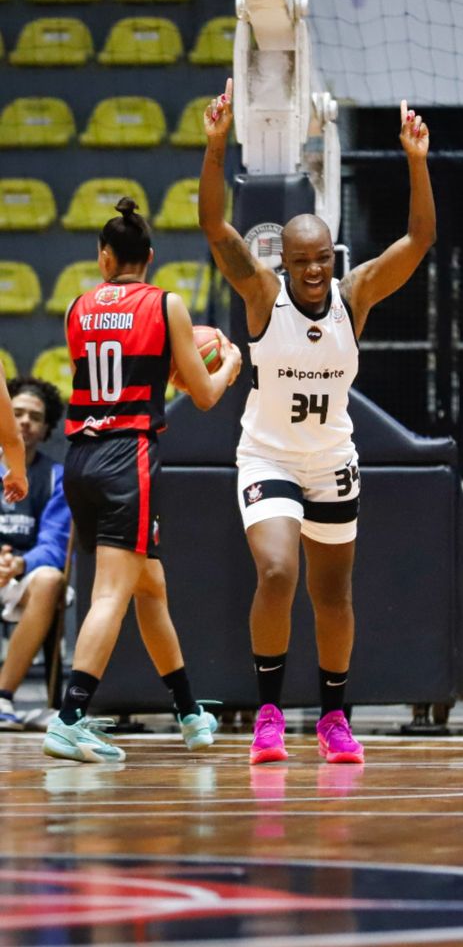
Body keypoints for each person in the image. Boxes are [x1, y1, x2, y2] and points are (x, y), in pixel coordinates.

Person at [199, 79, 435, 765]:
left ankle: (334, 716)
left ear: (330, 258)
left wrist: (416, 160)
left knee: (333, 596)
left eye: (317, 260)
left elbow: (420, 238)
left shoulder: (352, 296)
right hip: (267, 455)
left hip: (332, 459)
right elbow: (216, 227)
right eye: (297, 260)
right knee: (277, 574)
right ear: (285, 260)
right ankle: (269, 710)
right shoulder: (260, 293)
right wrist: (217, 147)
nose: (308, 270)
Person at [42, 197, 243, 764]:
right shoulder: (165, 303)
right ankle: (70, 718)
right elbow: (202, 395)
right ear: (148, 258)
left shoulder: (77, 308)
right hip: (128, 457)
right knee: (112, 592)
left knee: (149, 587)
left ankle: (188, 714)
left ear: (104, 258)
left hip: (79, 456)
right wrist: (226, 361)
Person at [0, 378, 71, 730]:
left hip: (24, 576)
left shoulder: (56, 477)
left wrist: (20, 563)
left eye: (35, 417)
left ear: (45, 429)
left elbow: (56, 544)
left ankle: (2, 697)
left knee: (51, 579)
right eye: (16, 414)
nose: (25, 421)